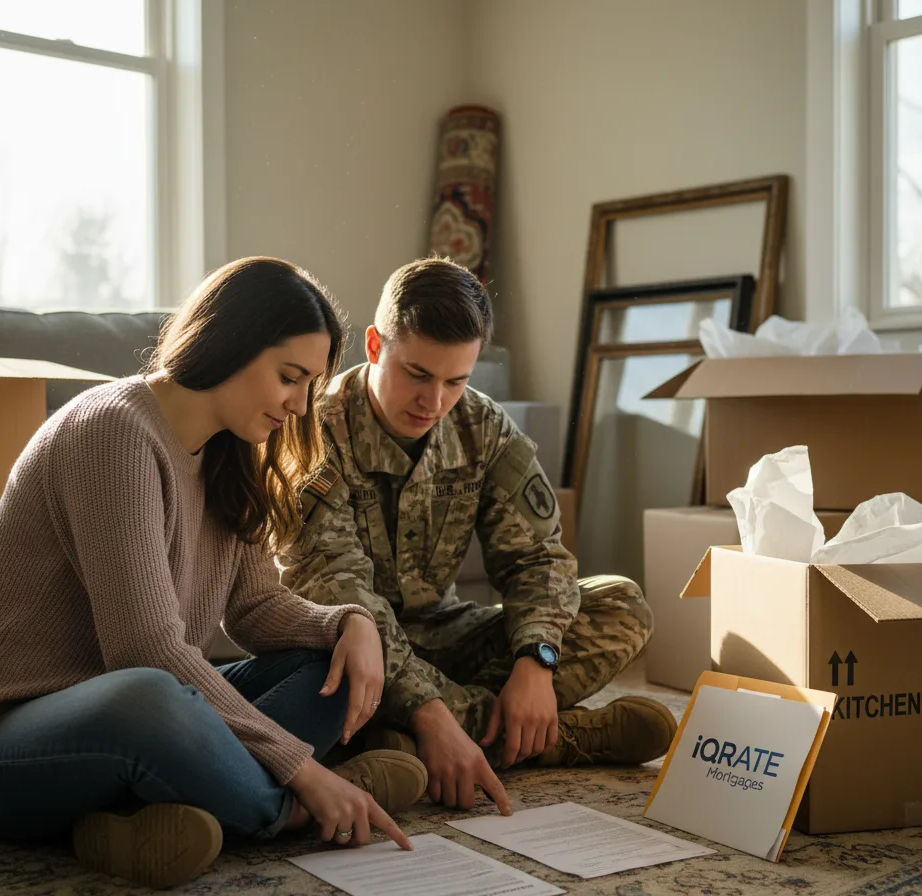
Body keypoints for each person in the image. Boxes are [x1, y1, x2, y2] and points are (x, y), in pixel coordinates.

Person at [0, 257, 428, 890]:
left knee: (322, 663)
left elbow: (252, 608)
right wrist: (304, 771)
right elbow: (144, 650)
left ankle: (136, 821)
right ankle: (291, 811)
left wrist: (350, 625)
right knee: (152, 696)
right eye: (289, 377)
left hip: (137, 718)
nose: (301, 405)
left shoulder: (231, 451)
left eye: (311, 384)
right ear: (232, 345)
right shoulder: (111, 431)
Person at [279, 257, 676, 815]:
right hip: (344, 648)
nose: (434, 402)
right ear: (374, 346)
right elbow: (344, 598)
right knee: (322, 684)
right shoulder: (311, 433)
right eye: (417, 374)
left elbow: (539, 558)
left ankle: (415, 745)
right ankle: (547, 741)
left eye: (456, 381)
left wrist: (534, 661)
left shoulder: (482, 426)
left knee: (621, 606)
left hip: (443, 635)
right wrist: (428, 712)